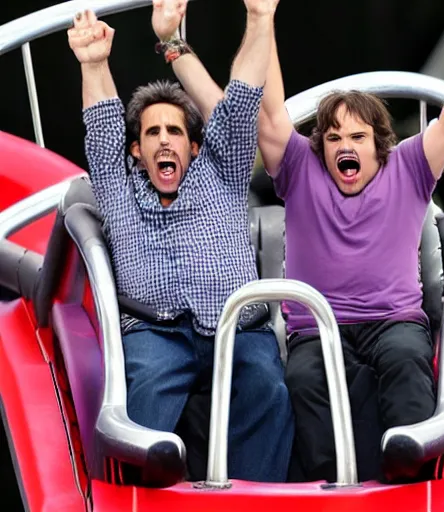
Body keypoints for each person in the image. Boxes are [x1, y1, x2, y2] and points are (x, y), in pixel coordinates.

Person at [255, 23, 444, 482]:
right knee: (306, 381)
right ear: (321, 148)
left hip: (394, 322)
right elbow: (270, 117)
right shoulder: (299, 168)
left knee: (407, 362)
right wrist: (264, 21)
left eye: (356, 137)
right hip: (317, 329)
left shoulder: (408, 165)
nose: (344, 146)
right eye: (333, 138)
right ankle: (331, 488)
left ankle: (409, 481)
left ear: (379, 144)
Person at [67, 0, 293, 484]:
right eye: (152, 133)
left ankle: (257, 497)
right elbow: (103, 127)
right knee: (138, 415)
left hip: (238, 328)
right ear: (137, 149)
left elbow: (245, 97)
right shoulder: (120, 187)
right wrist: (94, 63)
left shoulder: (223, 169)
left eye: (175, 130)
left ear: (194, 144)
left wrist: (258, 20)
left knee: (270, 392)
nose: (165, 140)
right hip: (155, 334)